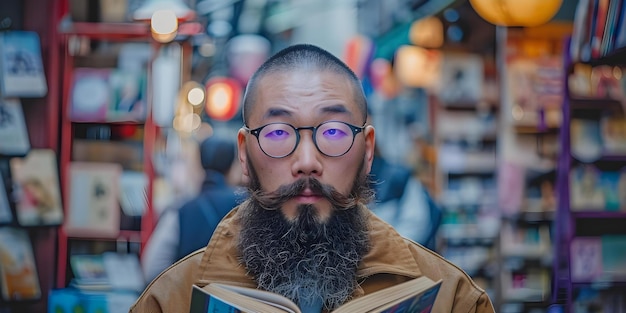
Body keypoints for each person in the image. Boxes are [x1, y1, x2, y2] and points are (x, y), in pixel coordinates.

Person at [130, 44, 494, 313]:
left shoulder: (451, 299)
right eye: (278, 133)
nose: (307, 163)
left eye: (333, 132)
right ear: (244, 153)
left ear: (367, 150)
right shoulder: (171, 299)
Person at [140, 135, 243, 282]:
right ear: (233, 165)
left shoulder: (182, 209)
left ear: (200, 163)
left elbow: (152, 269)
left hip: (190, 300)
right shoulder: (246, 206)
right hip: (235, 301)